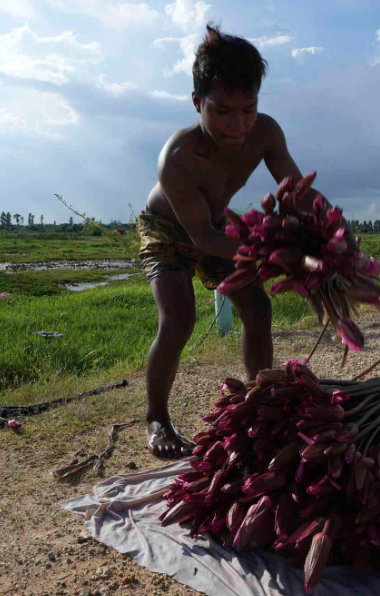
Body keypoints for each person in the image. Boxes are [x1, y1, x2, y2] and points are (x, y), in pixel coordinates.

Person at [140, 25, 342, 458]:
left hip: (218, 225)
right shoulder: (177, 158)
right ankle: (157, 418)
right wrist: (277, 254)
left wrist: (336, 231)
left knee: (258, 307)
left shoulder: (265, 133)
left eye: (248, 110)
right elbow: (202, 238)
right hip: (169, 230)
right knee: (178, 321)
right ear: (197, 103)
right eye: (223, 111)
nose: (238, 125)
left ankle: (259, 403)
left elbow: (299, 191)